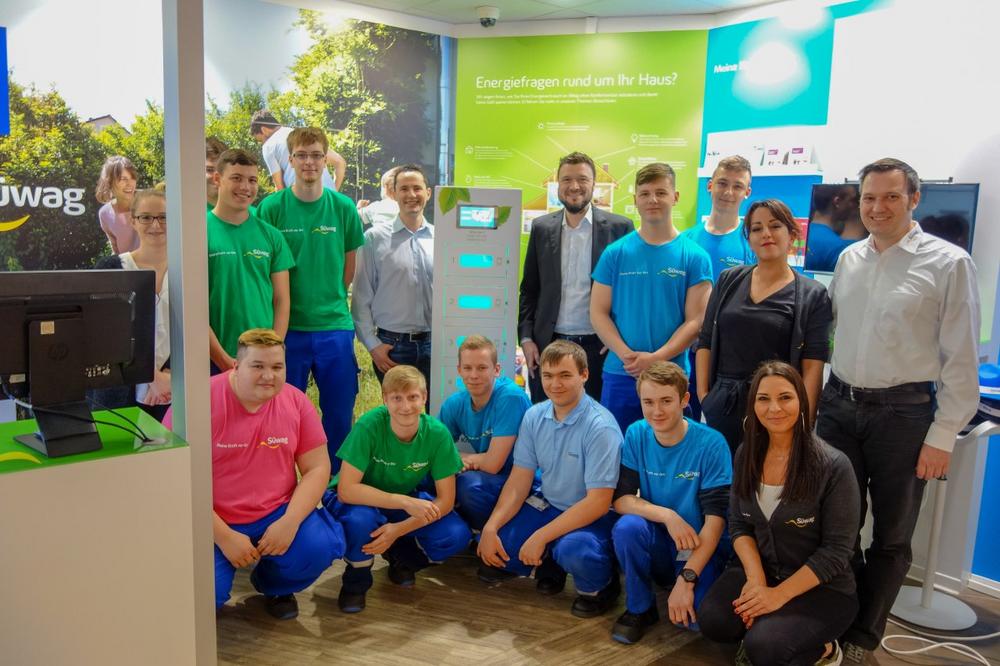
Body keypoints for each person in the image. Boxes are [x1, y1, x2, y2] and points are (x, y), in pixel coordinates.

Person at [816, 158, 981, 663]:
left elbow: (961, 358)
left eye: (891, 196)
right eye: (869, 197)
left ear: (914, 199)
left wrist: (943, 435)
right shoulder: (849, 258)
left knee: (891, 536)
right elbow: (833, 334)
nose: (878, 207)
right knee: (837, 527)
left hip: (904, 417)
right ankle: (836, 622)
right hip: (839, 406)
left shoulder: (950, 263)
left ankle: (863, 638)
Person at [164, 329, 345, 619]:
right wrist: (223, 536)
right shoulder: (195, 402)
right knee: (202, 597)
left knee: (318, 548)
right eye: (257, 366)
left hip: (276, 511)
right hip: (211, 516)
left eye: (277, 367)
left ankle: (275, 586)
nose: (268, 376)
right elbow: (173, 481)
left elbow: (317, 468)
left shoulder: (296, 401)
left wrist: (290, 522)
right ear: (236, 366)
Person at [699, 361, 859, 666]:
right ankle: (767, 628)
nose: (774, 408)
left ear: (801, 401)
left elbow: (836, 553)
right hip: (763, 570)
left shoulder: (834, 466)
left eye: (785, 397)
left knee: (765, 648)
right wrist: (756, 580)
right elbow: (738, 525)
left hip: (822, 587)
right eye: (764, 399)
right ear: (753, 405)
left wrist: (777, 596)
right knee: (714, 622)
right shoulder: (746, 453)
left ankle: (826, 649)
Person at [477, 340, 622, 618]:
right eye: (548, 375)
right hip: (550, 503)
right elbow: (519, 480)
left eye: (565, 375)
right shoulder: (534, 415)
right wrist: (491, 527)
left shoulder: (600, 427)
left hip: (591, 514)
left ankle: (601, 587)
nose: (555, 384)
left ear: (584, 375)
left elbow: (598, 503)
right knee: (498, 553)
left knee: (575, 551)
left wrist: (541, 536)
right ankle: (549, 564)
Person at [257, 127, 365, 472]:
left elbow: (348, 267)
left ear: (325, 160)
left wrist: (331, 297)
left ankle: (335, 483)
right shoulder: (271, 208)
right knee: (282, 413)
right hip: (288, 330)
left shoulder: (342, 207)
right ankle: (282, 483)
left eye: (316, 155)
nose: (309, 162)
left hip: (334, 325)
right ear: (290, 160)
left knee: (339, 412)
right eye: (301, 155)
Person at [323, 365, 471, 613]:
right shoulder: (369, 426)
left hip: (401, 498)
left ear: (424, 397)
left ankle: (402, 557)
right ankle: (356, 581)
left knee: (455, 534)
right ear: (385, 399)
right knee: (361, 521)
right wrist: (404, 502)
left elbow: (445, 501)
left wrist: (399, 529)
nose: (406, 406)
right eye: (397, 398)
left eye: (413, 397)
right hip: (359, 500)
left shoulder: (437, 434)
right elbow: (347, 490)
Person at [696, 199, 833, 454]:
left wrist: (804, 422)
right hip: (724, 405)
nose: (766, 234)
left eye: (775, 226)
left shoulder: (812, 294)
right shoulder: (728, 280)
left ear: (792, 235)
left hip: (776, 410)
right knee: (725, 475)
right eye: (757, 228)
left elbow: (812, 365)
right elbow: (705, 340)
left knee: (769, 475)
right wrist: (705, 395)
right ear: (749, 239)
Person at [610, 362, 732, 645]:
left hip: (699, 546)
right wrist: (668, 516)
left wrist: (688, 578)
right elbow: (621, 499)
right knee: (627, 528)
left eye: (666, 401)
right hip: (660, 539)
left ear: (685, 400)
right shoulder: (636, 433)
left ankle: (682, 581)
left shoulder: (712, 443)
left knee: (697, 621)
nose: (657, 411)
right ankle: (639, 608)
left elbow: (715, 521)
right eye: (648, 402)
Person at [591, 162, 712, 434]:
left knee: (671, 451)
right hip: (622, 373)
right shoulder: (615, 254)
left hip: (672, 376)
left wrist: (657, 358)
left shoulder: (695, 257)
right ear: (635, 200)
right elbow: (598, 312)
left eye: (660, 192)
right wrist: (627, 356)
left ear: (675, 197)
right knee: (618, 450)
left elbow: (696, 321)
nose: (652, 200)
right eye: (644, 194)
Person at [518, 151, 634, 404]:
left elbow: (629, 291)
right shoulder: (541, 228)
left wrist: (617, 338)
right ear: (557, 184)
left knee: (597, 418)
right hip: (548, 345)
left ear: (594, 184)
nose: (574, 186)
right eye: (566, 179)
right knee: (548, 417)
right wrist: (526, 339)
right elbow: (529, 289)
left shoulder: (620, 228)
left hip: (599, 348)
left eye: (582, 179)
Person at [682, 155, 756, 421]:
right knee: (685, 424)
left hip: (729, 357)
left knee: (725, 428)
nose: (728, 192)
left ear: (747, 192)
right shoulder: (686, 240)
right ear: (710, 185)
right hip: (688, 352)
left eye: (737, 186)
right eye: (723, 183)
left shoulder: (751, 243)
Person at [351, 164, 435, 396]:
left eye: (417, 188)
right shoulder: (374, 239)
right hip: (393, 348)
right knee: (399, 412)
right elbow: (360, 297)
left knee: (435, 413)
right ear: (394, 194)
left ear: (428, 193)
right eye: (404, 189)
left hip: (435, 345)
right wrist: (373, 346)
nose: (411, 195)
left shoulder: (441, 239)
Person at [207, 149, 294, 372]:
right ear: (217, 179)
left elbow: (282, 300)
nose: (245, 187)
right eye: (236, 178)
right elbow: (191, 307)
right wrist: (223, 360)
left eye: (252, 180)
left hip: (261, 358)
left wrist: (273, 350)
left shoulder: (272, 235)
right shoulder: (198, 232)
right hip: (211, 357)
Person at [438, 335, 533, 530]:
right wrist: (461, 460)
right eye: (467, 368)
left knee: (468, 485)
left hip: (524, 480)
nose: (474, 375)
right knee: (427, 475)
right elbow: (432, 452)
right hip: (491, 477)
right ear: (459, 370)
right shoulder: (455, 404)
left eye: (482, 368)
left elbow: (493, 464)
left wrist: (460, 458)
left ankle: (489, 532)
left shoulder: (510, 398)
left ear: (496, 370)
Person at [94, 188, 171, 420]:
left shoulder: (189, 271)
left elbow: (195, 329)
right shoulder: (111, 269)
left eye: (164, 217)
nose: (156, 225)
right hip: (118, 393)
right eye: (146, 217)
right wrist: (150, 376)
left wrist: (172, 378)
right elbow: (103, 335)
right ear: (133, 220)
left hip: (172, 391)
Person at [250, 109, 345, 191]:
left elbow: (280, 189)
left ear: (264, 130)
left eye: (261, 140)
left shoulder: (268, 146)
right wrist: (333, 192)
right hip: (329, 200)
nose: (262, 143)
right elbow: (340, 162)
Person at [805, 184, 861, 273]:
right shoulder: (839, 247)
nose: (855, 206)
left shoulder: (800, 235)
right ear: (837, 202)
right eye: (852, 200)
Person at [95, 155, 140, 254]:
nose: (130, 184)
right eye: (123, 179)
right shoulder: (105, 213)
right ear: (109, 181)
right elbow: (116, 251)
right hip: (127, 264)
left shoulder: (150, 203)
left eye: (132, 178)